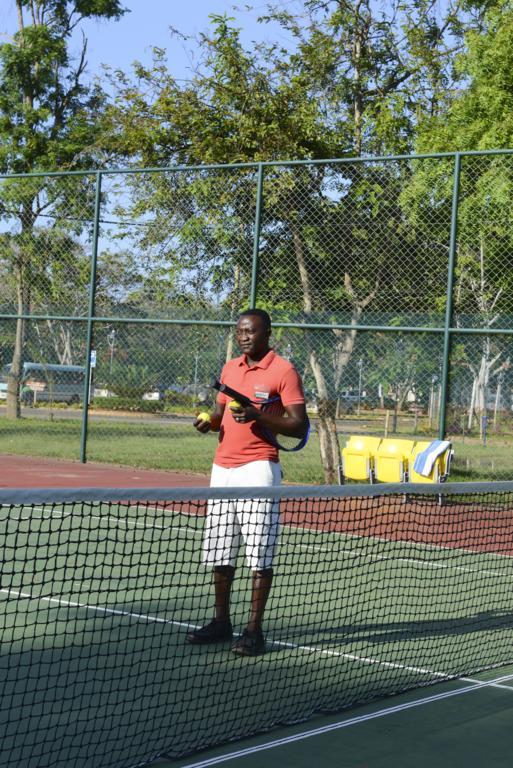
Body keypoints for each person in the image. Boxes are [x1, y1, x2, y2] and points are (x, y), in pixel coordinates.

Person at [186, 308, 308, 656]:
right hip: (222, 468)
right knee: (220, 550)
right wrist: (208, 421)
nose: (244, 336)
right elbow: (220, 413)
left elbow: (298, 424)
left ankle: (254, 631)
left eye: (251, 331)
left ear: (267, 333)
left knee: (259, 553)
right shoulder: (230, 368)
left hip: (259, 469)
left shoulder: (283, 371)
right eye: (240, 331)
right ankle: (221, 622)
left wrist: (258, 414)